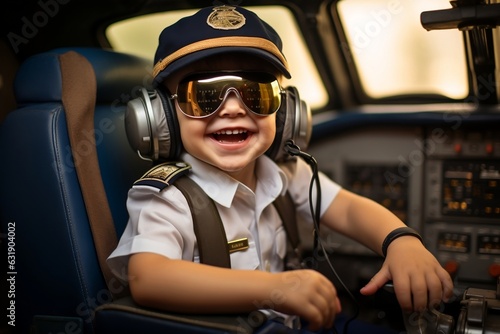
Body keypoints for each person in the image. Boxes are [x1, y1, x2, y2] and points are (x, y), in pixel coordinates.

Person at [107, 5, 453, 333]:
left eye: (255, 93)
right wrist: (275, 288)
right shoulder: (167, 199)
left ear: (285, 113)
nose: (232, 109)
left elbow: (347, 209)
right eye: (205, 95)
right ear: (162, 118)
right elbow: (148, 278)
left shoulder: (289, 173)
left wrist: (400, 241)